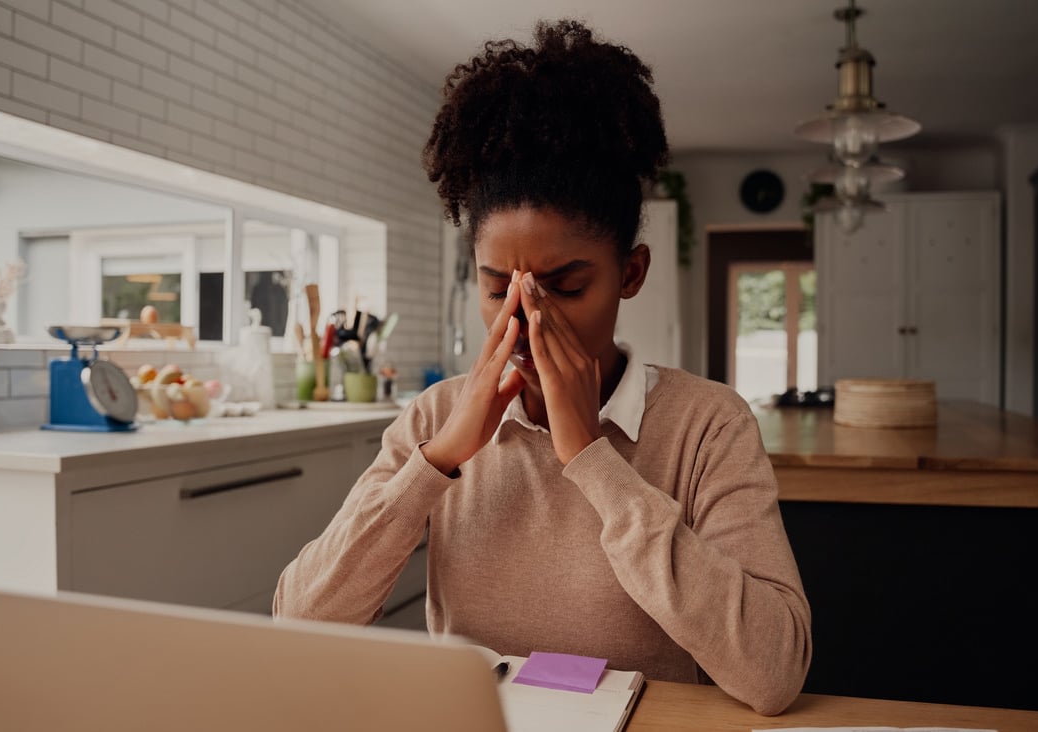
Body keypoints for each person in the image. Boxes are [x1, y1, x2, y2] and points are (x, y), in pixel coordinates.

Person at [274, 19, 811, 715]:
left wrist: (592, 457)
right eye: (500, 289)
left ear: (631, 273)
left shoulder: (708, 425)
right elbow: (299, 627)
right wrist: (434, 464)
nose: (525, 320)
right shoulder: (436, 421)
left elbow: (774, 673)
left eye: (564, 286)